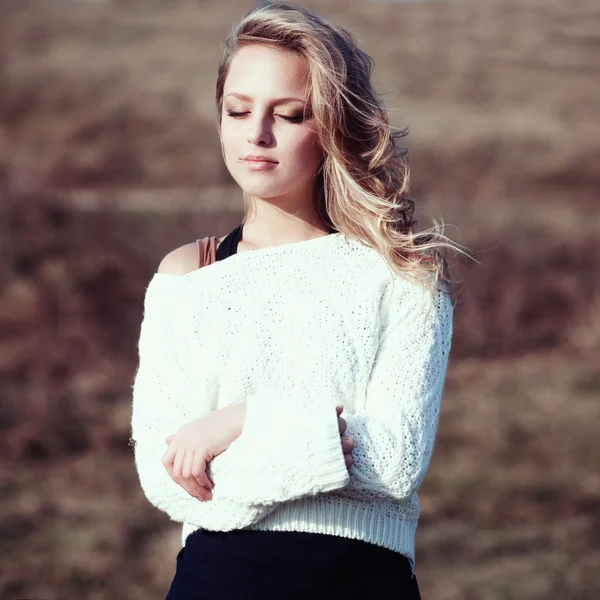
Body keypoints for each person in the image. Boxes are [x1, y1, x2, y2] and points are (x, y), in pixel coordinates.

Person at [130, 3, 467, 599]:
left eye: (288, 115)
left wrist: (238, 422)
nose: (256, 134)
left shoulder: (402, 274)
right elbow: (169, 476)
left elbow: (393, 462)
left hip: (359, 581)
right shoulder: (189, 276)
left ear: (334, 126)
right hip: (217, 580)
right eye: (237, 110)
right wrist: (324, 441)